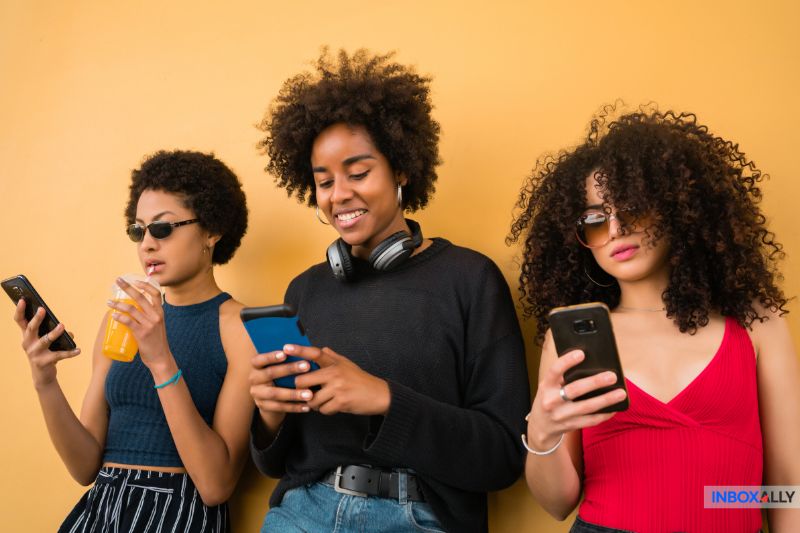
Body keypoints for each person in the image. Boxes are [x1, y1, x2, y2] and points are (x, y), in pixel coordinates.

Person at [249, 49, 531, 533]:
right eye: (323, 182)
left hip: (419, 517)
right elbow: (276, 464)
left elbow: (503, 455)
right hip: (303, 514)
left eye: (358, 173)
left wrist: (383, 399)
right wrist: (271, 417)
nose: (339, 194)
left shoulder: (470, 279)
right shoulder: (305, 290)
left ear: (401, 169)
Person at [508, 106, 800, 532]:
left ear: (678, 206)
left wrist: (723, 497)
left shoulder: (757, 325)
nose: (616, 228)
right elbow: (558, 504)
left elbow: (787, 485)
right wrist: (543, 436)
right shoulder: (569, 336)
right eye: (595, 219)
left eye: (633, 207)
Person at [14, 150, 254, 532]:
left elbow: (215, 485)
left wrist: (160, 360)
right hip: (102, 507)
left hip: (179, 513)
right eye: (137, 230)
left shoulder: (238, 327)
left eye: (162, 228)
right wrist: (45, 382)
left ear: (211, 230)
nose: (146, 244)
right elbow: (84, 467)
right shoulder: (120, 318)